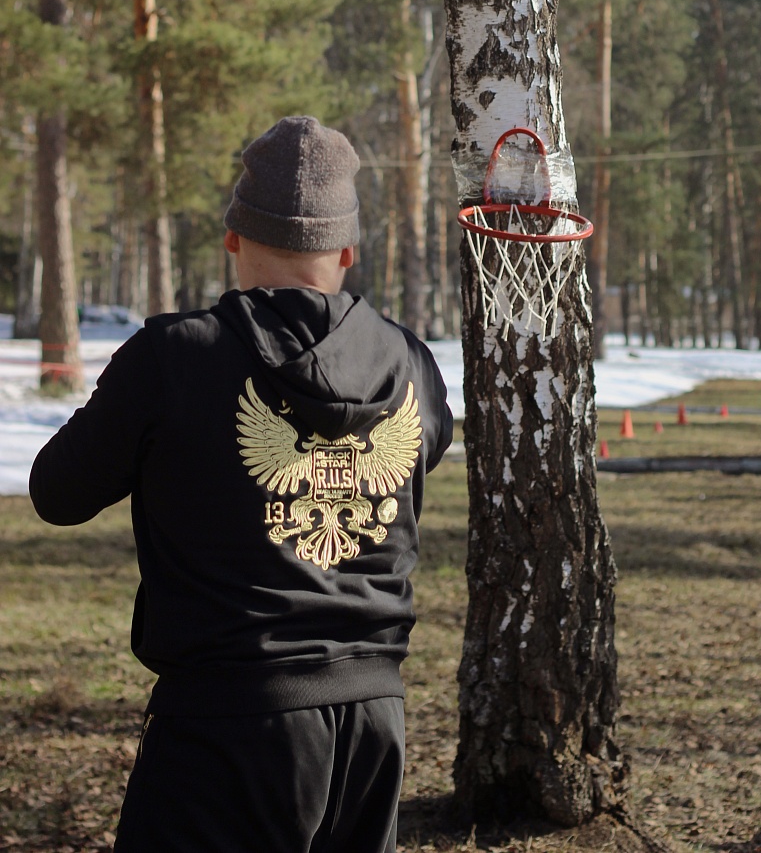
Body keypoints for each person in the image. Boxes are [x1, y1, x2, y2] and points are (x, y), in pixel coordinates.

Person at [29, 116, 453, 853]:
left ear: (232, 238)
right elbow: (426, 454)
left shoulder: (174, 356)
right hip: (374, 723)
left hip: (225, 726)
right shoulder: (408, 363)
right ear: (348, 250)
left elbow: (56, 493)